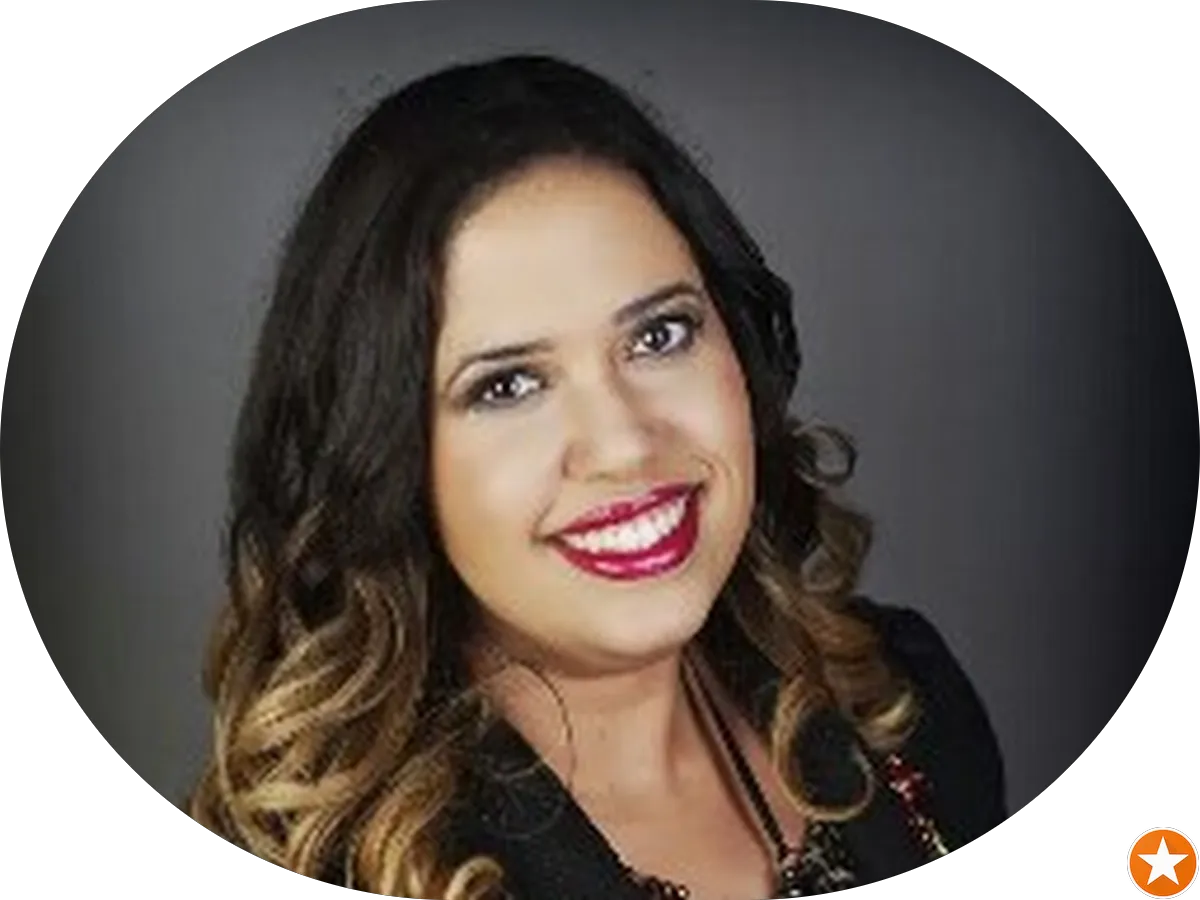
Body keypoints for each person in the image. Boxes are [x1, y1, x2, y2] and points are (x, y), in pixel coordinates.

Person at [187, 54, 1007, 900]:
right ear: (388, 459)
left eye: (659, 336)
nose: (623, 443)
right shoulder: (339, 864)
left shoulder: (910, 712)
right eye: (509, 386)